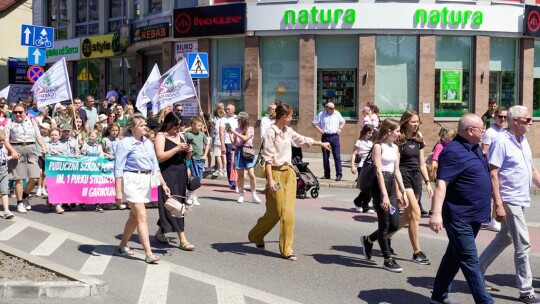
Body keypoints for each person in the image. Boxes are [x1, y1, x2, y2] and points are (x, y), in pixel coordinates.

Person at [248, 103, 331, 261]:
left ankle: (286, 249)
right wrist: (270, 180)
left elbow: (301, 140)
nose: (292, 119)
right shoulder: (270, 133)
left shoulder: (288, 131)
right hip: (275, 174)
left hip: (289, 174)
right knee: (274, 213)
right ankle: (255, 235)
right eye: (290, 116)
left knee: (288, 214)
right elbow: (267, 159)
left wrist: (320, 143)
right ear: (283, 117)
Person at [429, 113, 494, 304]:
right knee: (470, 261)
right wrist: (435, 214)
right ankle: (485, 301)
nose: (484, 131)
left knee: (453, 257)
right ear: (470, 130)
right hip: (459, 216)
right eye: (481, 128)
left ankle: (438, 296)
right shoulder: (453, 152)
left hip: (474, 215)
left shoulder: (474, 148)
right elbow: (441, 184)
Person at [479, 106, 540, 304]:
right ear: (515, 121)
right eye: (527, 119)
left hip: (521, 198)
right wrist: (497, 204)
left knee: (505, 236)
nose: (531, 122)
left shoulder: (524, 141)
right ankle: (526, 290)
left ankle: (477, 271)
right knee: (523, 243)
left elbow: (531, 170)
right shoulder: (500, 141)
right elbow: (493, 173)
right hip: (509, 198)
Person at [115, 113, 168, 263]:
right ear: (132, 128)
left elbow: (154, 166)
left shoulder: (147, 142)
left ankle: (122, 245)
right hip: (131, 179)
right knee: (142, 216)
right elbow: (118, 168)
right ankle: (149, 253)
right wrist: (118, 190)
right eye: (141, 125)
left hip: (145, 180)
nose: (145, 127)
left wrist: (163, 184)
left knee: (134, 216)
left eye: (145, 125)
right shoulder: (125, 143)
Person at [360, 119, 408, 272]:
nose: (399, 133)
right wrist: (384, 195)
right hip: (379, 185)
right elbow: (379, 171)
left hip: (391, 184)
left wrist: (403, 191)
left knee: (394, 224)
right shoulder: (377, 147)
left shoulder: (395, 147)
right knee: (385, 223)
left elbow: (397, 171)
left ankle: (368, 240)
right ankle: (387, 259)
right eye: (397, 130)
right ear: (389, 131)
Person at [153, 112, 195, 251]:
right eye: (174, 126)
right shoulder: (161, 136)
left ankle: (160, 232)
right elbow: (160, 156)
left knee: (173, 205)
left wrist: (189, 151)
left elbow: (187, 159)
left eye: (179, 126)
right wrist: (177, 148)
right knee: (175, 205)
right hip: (167, 173)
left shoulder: (181, 135)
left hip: (180, 173)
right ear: (168, 123)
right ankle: (183, 239)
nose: (176, 129)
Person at [4, 103, 48, 214]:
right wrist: (12, 151)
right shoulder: (10, 123)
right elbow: (5, 139)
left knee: (34, 177)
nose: (18, 114)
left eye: (20, 112)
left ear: (25, 112)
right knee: (19, 179)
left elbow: (38, 136)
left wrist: (43, 146)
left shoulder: (32, 122)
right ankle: (19, 203)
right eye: (15, 112)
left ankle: (25, 196)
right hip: (17, 148)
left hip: (31, 148)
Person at [481, 107, 507, 232]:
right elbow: (484, 152)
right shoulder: (490, 132)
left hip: (503, 167)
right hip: (492, 167)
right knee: (494, 194)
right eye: (500, 116)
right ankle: (493, 220)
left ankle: (495, 219)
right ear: (495, 117)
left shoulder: (506, 131)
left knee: (499, 193)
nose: (502, 119)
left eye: (505, 117)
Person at [228, 112, 261, 204]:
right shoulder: (236, 129)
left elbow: (245, 138)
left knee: (251, 174)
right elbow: (234, 143)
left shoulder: (250, 129)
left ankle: (254, 194)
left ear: (243, 120)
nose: (237, 121)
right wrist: (231, 135)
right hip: (238, 151)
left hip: (248, 150)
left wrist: (234, 132)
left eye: (239, 119)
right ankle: (241, 194)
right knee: (240, 175)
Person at [312, 102, 345, 181]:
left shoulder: (337, 113)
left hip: (334, 136)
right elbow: (314, 123)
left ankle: (339, 174)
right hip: (325, 136)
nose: (333, 109)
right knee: (325, 157)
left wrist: (340, 128)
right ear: (327, 108)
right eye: (331, 108)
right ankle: (327, 174)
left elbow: (343, 121)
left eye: (334, 108)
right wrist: (320, 130)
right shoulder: (321, 114)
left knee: (337, 156)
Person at [184, 116, 209, 206]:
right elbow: (184, 145)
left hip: (200, 159)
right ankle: (193, 197)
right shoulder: (187, 135)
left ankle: (190, 194)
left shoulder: (202, 134)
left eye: (201, 125)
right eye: (199, 125)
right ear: (193, 126)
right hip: (192, 159)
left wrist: (205, 155)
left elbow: (207, 144)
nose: (200, 127)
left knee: (199, 178)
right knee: (195, 178)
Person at [351, 124, 374, 213]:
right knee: (365, 187)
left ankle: (365, 205)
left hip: (371, 165)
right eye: (369, 133)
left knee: (370, 187)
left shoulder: (371, 143)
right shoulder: (359, 142)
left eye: (371, 133)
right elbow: (354, 154)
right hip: (362, 166)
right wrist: (353, 166)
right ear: (364, 132)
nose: (370, 135)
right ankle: (358, 202)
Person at [220, 104, 238, 189]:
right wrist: (223, 145)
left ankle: (237, 180)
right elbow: (221, 133)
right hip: (228, 143)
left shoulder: (237, 118)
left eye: (229, 109)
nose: (227, 111)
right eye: (226, 109)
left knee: (237, 162)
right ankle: (232, 182)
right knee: (230, 162)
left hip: (237, 143)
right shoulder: (223, 119)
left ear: (234, 110)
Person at [0, 130, 13, 219]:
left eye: (3, 140)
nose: (2, 142)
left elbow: (4, 158)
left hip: (4, 169)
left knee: (4, 191)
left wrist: (12, 156)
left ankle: (6, 210)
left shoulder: (3, 146)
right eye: (0, 140)